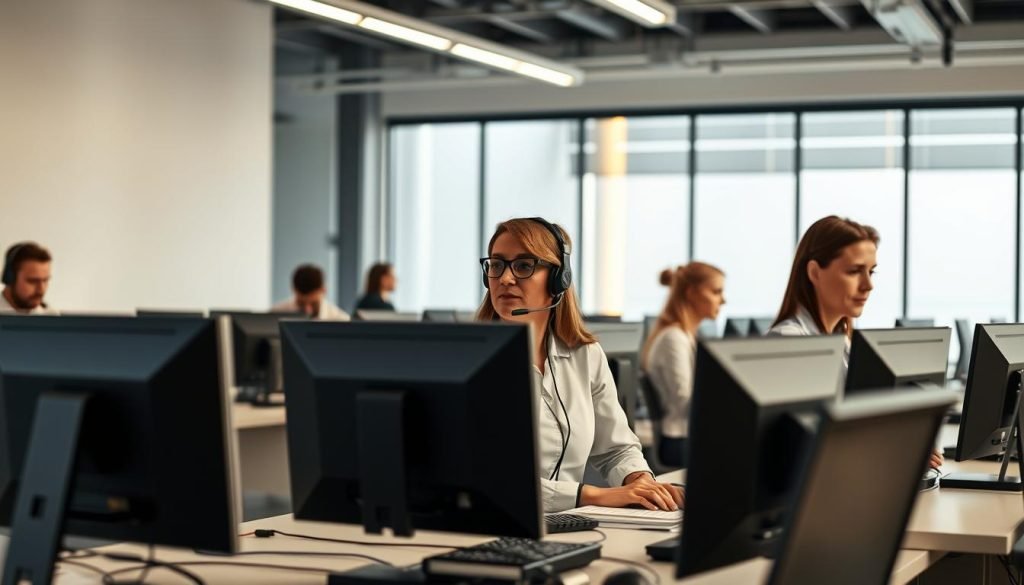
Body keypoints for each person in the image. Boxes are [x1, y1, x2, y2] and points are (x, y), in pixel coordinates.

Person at [477, 217, 683, 513]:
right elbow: (491, 478)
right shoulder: (475, 364)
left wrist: (641, 482)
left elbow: (616, 448)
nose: (506, 279)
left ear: (558, 278)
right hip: (490, 525)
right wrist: (592, 496)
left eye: (523, 265)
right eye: (496, 265)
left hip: (567, 527)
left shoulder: (585, 354)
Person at [769, 215, 943, 469]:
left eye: (871, 272)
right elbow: (810, 447)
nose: (868, 285)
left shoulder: (842, 342)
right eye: (854, 271)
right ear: (815, 272)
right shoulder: (790, 344)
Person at [641, 262, 726, 468]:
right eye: (716, 292)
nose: (723, 300)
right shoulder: (673, 338)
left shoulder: (685, 336)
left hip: (687, 437)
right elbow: (685, 401)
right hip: (679, 441)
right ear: (691, 293)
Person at [271, 264, 350, 321]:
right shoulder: (275, 315)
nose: (308, 310)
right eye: (301, 303)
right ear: (293, 289)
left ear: (324, 290)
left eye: (314, 304)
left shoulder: (341, 320)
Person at [0, 242, 58, 315]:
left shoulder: (52, 317)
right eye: (33, 281)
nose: (41, 289)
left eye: (45, 280)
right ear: (10, 278)